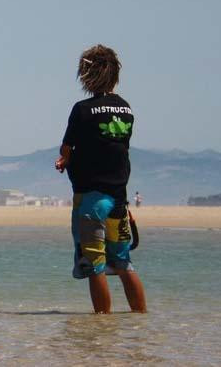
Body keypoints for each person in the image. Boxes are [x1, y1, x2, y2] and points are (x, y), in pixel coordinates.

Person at [55, 44, 147, 314]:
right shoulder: (126, 110)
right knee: (123, 262)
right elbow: (117, 148)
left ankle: (102, 324)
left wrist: (63, 161)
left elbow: (67, 148)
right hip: (119, 200)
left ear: (86, 74)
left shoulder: (82, 109)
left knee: (94, 264)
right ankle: (140, 320)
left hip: (91, 200)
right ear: (115, 74)